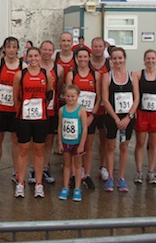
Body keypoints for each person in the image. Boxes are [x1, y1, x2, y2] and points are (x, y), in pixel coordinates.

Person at [12, 47, 54, 198]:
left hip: (41, 118)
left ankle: (39, 183)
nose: (34, 58)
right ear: (27, 57)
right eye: (31, 56)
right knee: (23, 150)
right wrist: (22, 111)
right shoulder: (20, 75)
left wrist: (41, 106)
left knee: (39, 150)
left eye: (36, 55)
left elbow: (49, 93)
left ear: (40, 57)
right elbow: (15, 97)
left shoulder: (46, 74)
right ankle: (21, 183)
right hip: (24, 118)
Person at [101, 47, 140, 193]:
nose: (117, 61)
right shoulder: (106, 77)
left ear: (125, 59)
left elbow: (137, 98)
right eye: (114, 58)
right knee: (110, 147)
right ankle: (110, 177)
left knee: (124, 147)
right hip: (112, 117)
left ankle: (121, 178)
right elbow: (105, 99)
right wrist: (117, 118)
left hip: (128, 118)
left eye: (120, 58)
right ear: (111, 60)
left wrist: (129, 117)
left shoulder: (132, 75)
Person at [0, 37, 25, 187]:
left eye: (14, 47)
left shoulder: (23, 66)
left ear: (17, 49)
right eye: (8, 47)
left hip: (15, 110)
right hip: (1, 108)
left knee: (15, 141)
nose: (11, 50)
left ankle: (17, 172)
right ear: (4, 48)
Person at [66, 47, 101, 189]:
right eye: (79, 57)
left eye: (85, 57)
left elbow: (99, 97)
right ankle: (75, 175)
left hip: (89, 117)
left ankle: (86, 174)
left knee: (87, 146)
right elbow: (69, 96)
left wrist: (92, 115)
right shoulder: (71, 75)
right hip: (74, 118)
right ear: (76, 58)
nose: (82, 60)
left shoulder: (96, 75)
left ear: (89, 58)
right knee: (74, 147)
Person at [132, 50, 156, 185]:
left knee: (153, 144)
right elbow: (136, 94)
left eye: (153, 58)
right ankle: (139, 171)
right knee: (140, 143)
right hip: (142, 113)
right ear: (144, 60)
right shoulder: (138, 75)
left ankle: (151, 172)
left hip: (155, 114)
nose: (150, 61)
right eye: (148, 58)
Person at [32, 40, 63, 185]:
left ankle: (45, 166)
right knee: (36, 140)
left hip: (51, 110)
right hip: (35, 110)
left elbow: (60, 87)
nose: (47, 52)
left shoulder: (59, 69)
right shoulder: (33, 66)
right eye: (44, 49)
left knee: (49, 139)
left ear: (53, 52)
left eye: (50, 50)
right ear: (40, 50)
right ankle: (34, 168)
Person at [57, 85, 88, 202]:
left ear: (78, 97)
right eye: (68, 96)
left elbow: (85, 128)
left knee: (78, 165)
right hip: (66, 142)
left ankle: (77, 188)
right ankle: (65, 187)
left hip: (77, 142)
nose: (70, 98)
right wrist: (60, 142)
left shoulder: (81, 110)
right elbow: (60, 127)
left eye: (73, 96)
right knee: (66, 164)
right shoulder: (62, 110)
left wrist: (81, 144)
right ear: (64, 96)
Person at [89, 37, 111, 181]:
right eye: (95, 46)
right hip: (89, 109)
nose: (97, 49)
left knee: (104, 139)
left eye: (100, 46)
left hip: (104, 108)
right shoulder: (85, 63)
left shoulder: (110, 65)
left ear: (104, 47)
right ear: (91, 47)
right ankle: (85, 169)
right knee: (87, 141)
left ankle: (103, 166)